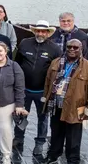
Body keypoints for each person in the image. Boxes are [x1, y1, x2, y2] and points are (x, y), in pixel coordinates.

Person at [38, 39, 88, 164]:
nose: (72, 49)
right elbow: (48, 83)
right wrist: (45, 99)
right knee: (56, 133)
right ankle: (53, 156)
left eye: (75, 47)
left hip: (74, 108)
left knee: (73, 138)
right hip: (56, 105)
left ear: (81, 49)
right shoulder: (55, 63)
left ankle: (73, 162)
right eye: (69, 47)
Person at [14, 20, 62, 156]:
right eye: (38, 31)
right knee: (20, 114)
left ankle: (40, 142)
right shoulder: (24, 43)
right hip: (24, 89)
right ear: (34, 31)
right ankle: (18, 137)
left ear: (48, 33)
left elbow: (58, 70)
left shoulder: (55, 49)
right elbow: (17, 63)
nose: (40, 33)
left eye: (43, 31)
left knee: (43, 118)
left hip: (42, 91)